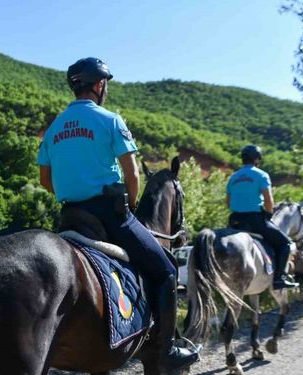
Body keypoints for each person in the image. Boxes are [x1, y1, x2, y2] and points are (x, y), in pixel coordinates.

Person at [37, 57, 199, 372]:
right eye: (104, 84)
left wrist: (72, 192)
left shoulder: (53, 128)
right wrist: (130, 209)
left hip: (70, 217)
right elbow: (133, 175)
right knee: (165, 271)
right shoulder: (110, 120)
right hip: (110, 213)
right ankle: (167, 349)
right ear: (99, 85)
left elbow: (46, 180)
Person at [226, 145, 299, 289]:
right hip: (255, 220)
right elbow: (268, 200)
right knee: (285, 244)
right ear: (257, 159)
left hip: (234, 221)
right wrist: (268, 214)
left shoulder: (233, 177)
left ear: (242, 159)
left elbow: (228, 202)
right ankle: (278, 279)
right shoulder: (261, 175)